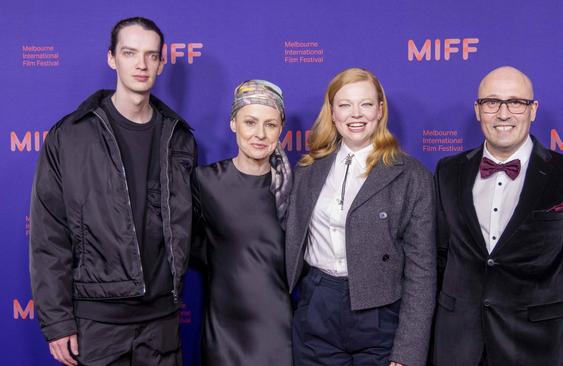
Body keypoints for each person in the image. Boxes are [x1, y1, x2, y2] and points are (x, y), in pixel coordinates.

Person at [29, 17, 196, 366]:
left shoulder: (179, 137)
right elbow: (49, 236)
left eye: (151, 55)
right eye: (130, 52)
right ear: (112, 58)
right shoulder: (71, 135)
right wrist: (58, 321)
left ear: (162, 63)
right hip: (99, 325)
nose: (141, 64)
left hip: (162, 323)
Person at [430, 66, 563, 366]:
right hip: (457, 344)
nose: (503, 113)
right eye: (492, 102)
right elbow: (439, 254)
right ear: (478, 110)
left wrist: (543, 312)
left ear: (533, 109)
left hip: (532, 344)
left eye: (516, 102)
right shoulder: (448, 171)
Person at [285, 67, 435, 366]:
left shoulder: (410, 175)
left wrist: (408, 353)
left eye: (366, 104)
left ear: (380, 110)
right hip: (317, 303)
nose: (356, 114)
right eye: (345, 105)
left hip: (380, 314)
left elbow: (422, 270)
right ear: (332, 111)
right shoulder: (307, 168)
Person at [191, 80, 293, 365]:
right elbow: (186, 243)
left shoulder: (293, 186)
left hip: (278, 332)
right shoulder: (204, 182)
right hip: (224, 332)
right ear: (233, 123)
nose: (260, 134)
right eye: (250, 122)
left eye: (270, 125)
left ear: (280, 129)